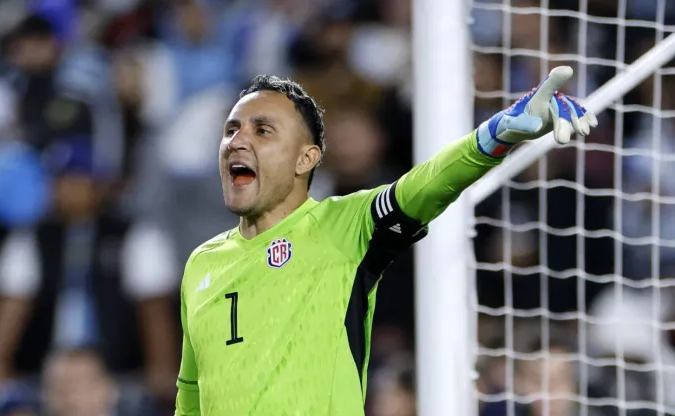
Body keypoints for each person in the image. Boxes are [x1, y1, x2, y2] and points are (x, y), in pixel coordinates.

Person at [175, 66, 598, 415]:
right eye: (231, 130)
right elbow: (190, 400)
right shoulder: (201, 265)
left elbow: (422, 187)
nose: (238, 141)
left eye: (262, 130)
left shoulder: (341, 226)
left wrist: (495, 135)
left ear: (307, 158)